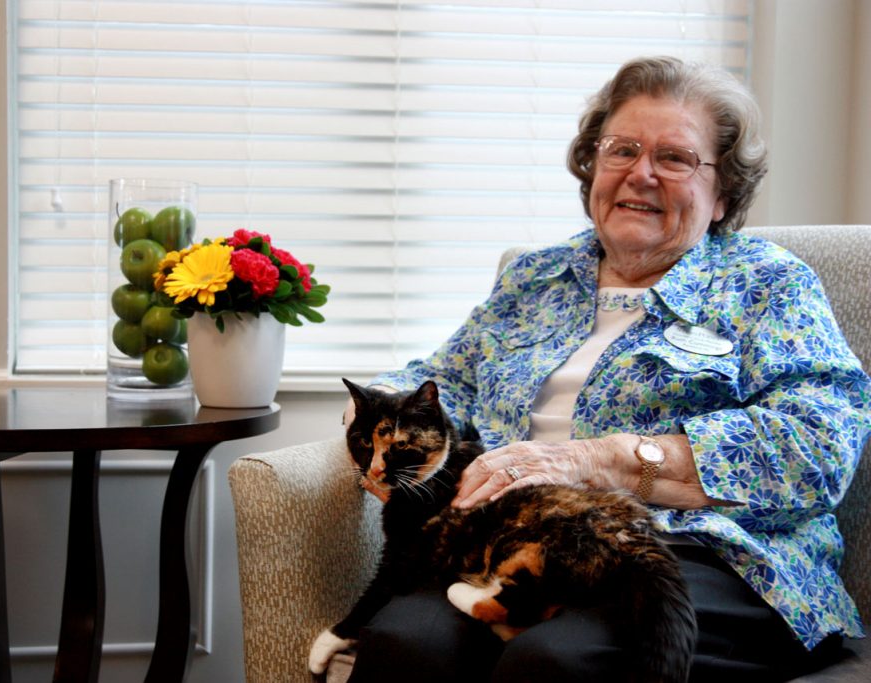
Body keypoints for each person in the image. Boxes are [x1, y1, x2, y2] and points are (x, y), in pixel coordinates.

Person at [343, 56, 871, 682]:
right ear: (592, 165)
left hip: (701, 554)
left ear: (723, 193)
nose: (640, 174)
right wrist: (368, 411)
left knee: (554, 663)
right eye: (621, 149)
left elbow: (816, 445)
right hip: (515, 543)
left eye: (674, 158)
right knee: (405, 645)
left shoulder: (768, 285)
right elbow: (441, 381)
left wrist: (604, 458)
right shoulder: (535, 276)